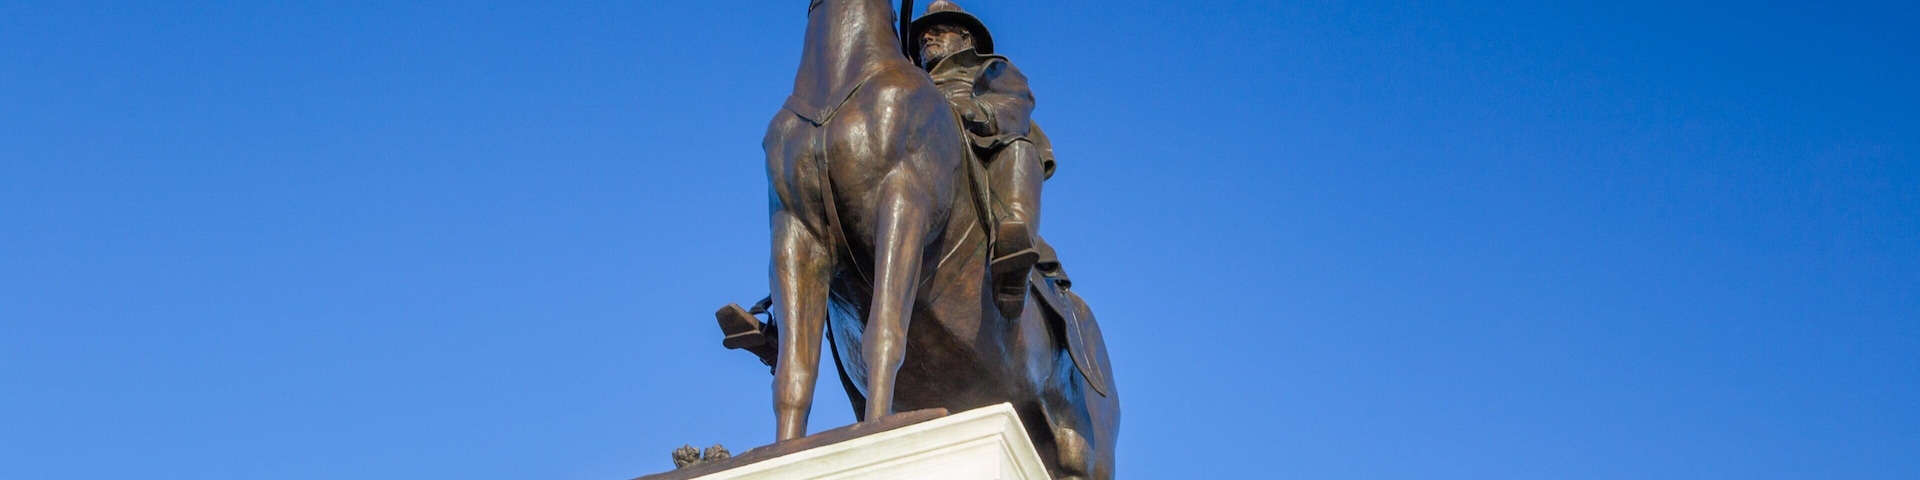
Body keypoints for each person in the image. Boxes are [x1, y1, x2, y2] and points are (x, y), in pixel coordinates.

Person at [912, 0, 1054, 317]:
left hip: (980, 145)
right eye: (924, 36)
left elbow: (1016, 103)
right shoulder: (907, 83)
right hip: (917, 155)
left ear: (966, 39)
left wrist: (975, 111)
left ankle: (1013, 245)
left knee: (1019, 147)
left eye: (938, 31)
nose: (927, 39)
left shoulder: (991, 70)